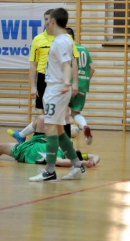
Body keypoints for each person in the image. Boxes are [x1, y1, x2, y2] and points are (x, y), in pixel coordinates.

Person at [28, 7, 85, 182]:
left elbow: (67, 65)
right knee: (59, 131)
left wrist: (67, 82)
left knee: (50, 128)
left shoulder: (60, 42)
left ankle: (50, 171)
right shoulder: (65, 40)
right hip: (56, 88)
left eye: (47, 21)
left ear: (52, 21)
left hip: (57, 89)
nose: (46, 24)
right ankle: (77, 166)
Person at [10, 9, 79, 142]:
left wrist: (72, 82)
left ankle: (65, 145)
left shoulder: (65, 39)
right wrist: (33, 86)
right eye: (45, 19)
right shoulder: (38, 39)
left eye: (49, 19)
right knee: (46, 116)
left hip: (60, 80)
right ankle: (44, 142)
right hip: (44, 78)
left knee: (64, 114)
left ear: (54, 21)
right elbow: (32, 64)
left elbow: (72, 61)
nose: (47, 22)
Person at [0, 115, 100, 167]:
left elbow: (59, 162)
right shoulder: (67, 150)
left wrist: (81, 163)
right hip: (41, 140)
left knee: (0, 147)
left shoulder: (60, 156)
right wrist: (92, 160)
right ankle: (21, 135)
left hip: (26, 151)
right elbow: (96, 155)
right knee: (41, 118)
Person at [65, 27, 96, 145]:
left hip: (71, 82)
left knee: (63, 112)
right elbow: (92, 68)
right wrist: (86, 80)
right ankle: (84, 126)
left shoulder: (68, 49)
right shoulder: (84, 49)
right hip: (83, 84)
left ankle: (66, 139)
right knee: (75, 113)